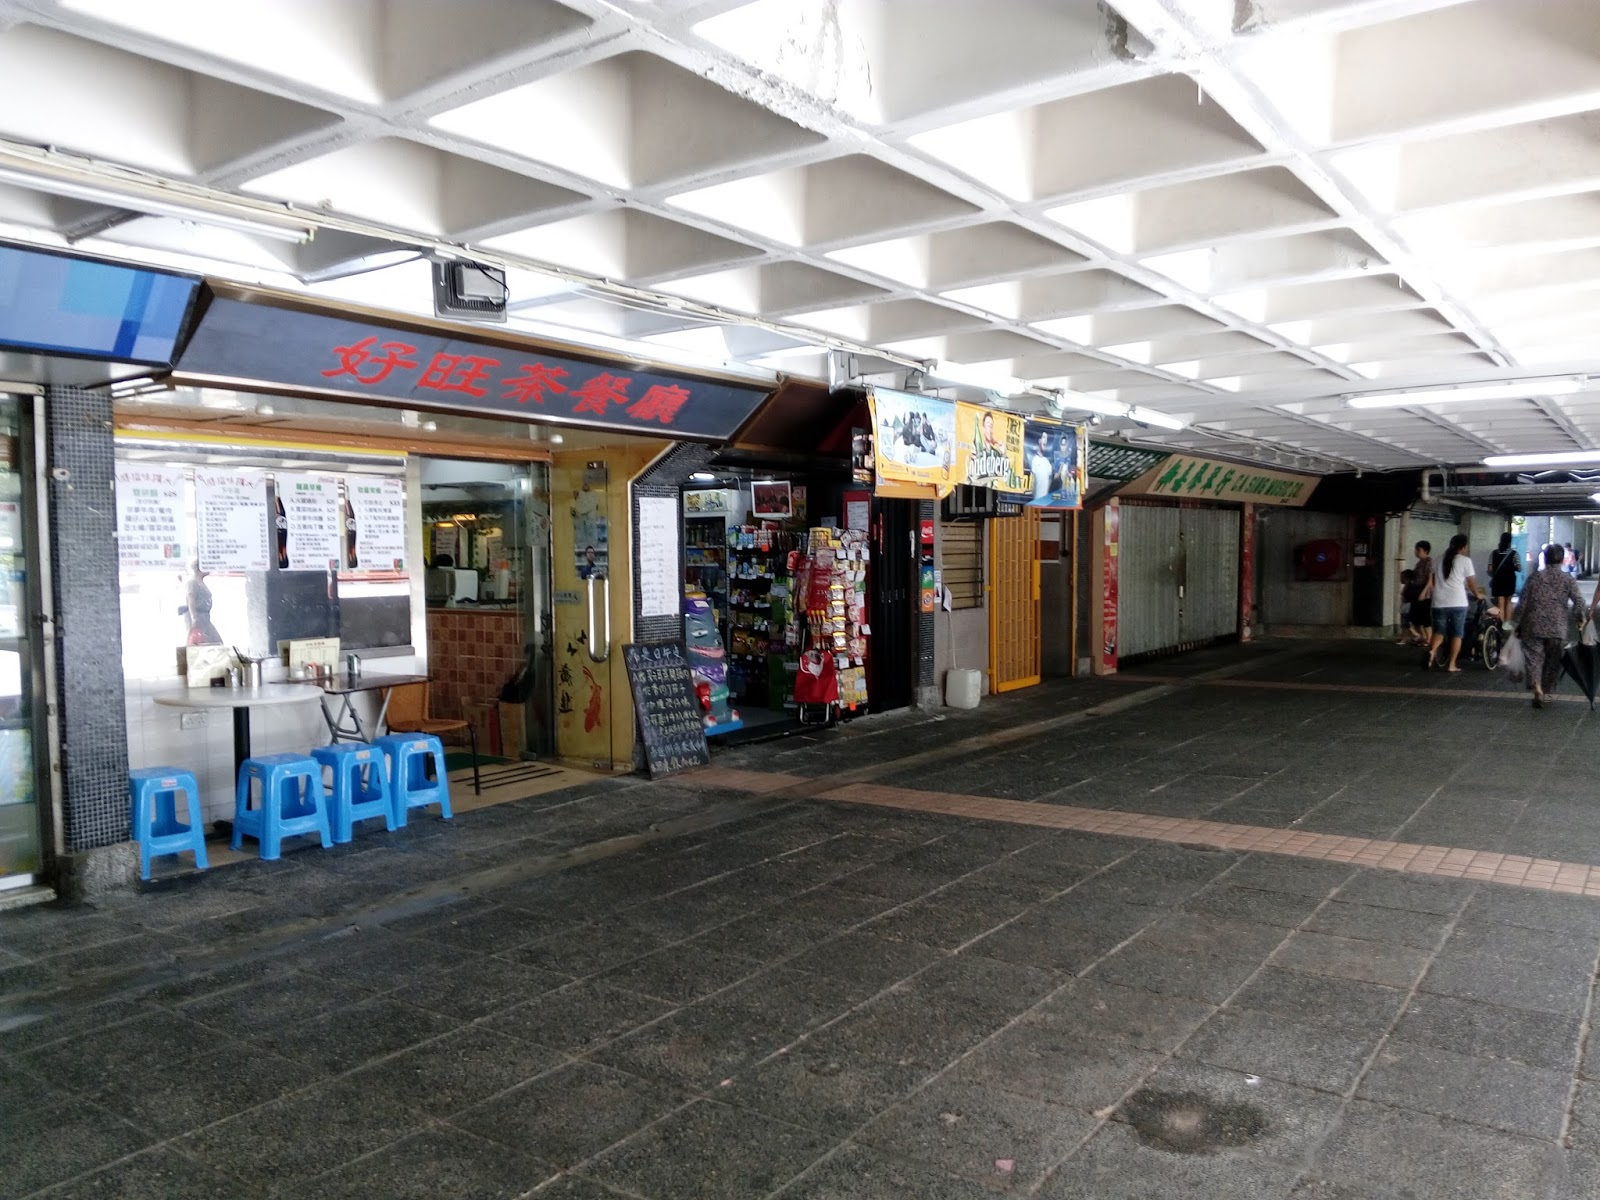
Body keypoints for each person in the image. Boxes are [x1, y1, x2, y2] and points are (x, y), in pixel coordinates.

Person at [1515, 542, 1587, 707]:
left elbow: (1522, 602)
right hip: (1557, 627)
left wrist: (1516, 622)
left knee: (1533, 658)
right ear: (1562, 560)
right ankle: (1546, 691)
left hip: (1533, 625)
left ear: (1546, 559)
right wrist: (1580, 617)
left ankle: (1537, 688)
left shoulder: (1534, 578)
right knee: (1553, 661)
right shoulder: (1567, 579)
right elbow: (1579, 601)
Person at [1424, 533, 1483, 673]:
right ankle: (1451, 665)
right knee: (1457, 634)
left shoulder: (1438, 559)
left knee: (1439, 632)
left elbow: (1433, 581)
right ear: (1462, 547)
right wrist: (1478, 594)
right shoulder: (1465, 561)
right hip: (1458, 602)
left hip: (1439, 602)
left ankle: (1432, 651)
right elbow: (1471, 584)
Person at [180, 559, 222, 646]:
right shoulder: (192, 582)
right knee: (196, 641)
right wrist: (194, 618)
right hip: (197, 615)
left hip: (205, 616)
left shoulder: (201, 583)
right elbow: (190, 600)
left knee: (214, 641)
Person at [1487, 531, 1521, 627]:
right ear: (1510, 542)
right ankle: (1507, 624)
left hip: (1498, 581)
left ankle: (1500, 625)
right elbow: (1519, 568)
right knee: (1508, 602)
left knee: (1500, 603)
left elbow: (1490, 569)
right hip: (1509, 580)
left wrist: (1494, 574)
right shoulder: (1514, 554)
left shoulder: (1494, 553)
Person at [1408, 541, 1433, 647]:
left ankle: (1429, 639)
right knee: (1415, 617)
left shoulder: (1429, 562)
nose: (1416, 552)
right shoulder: (1419, 563)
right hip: (1416, 591)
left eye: (1419, 550)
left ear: (1426, 551)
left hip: (1425, 593)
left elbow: (1430, 579)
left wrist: (1424, 592)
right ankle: (1424, 637)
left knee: (1425, 617)